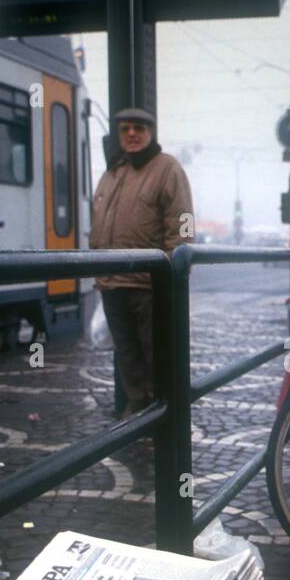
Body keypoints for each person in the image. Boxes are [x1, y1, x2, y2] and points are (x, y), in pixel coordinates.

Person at [89, 108, 194, 417]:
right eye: (125, 129)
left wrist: (178, 268)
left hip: (149, 283)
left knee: (156, 353)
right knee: (127, 353)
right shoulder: (112, 173)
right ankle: (137, 407)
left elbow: (183, 222)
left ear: (151, 133)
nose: (132, 134)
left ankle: (166, 414)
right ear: (119, 135)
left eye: (139, 128)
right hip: (112, 281)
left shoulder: (168, 169)